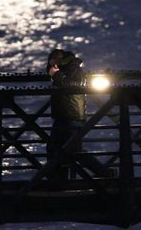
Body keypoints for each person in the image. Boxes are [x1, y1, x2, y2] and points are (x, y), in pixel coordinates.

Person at [46, 49, 115, 182]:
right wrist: (54, 71)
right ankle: (58, 181)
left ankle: (106, 173)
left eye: (54, 61)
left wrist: (56, 75)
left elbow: (73, 85)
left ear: (62, 60)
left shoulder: (74, 69)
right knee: (56, 150)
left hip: (71, 117)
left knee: (73, 151)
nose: (52, 64)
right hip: (63, 116)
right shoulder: (64, 68)